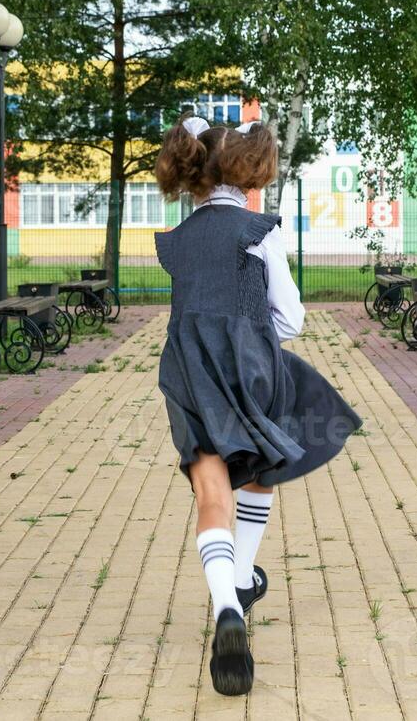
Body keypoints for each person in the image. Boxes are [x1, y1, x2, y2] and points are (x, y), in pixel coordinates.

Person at [153, 114, 362, 696]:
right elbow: (290, 318)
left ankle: (228, 603)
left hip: (189, 375)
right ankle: (242, 578)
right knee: (266, 463)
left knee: (211, 492)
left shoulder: (180, 238)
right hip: (252, 371)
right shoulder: (258, 230)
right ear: (239, 171)